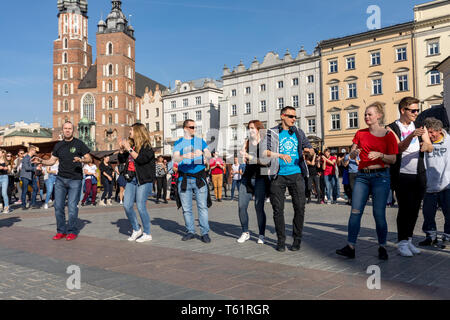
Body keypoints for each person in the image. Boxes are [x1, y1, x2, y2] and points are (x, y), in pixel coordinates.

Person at [336, 102, 398, 260]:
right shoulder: (360, 133)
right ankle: (350, 247)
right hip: (362, 176)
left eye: (370, 114)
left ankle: (382, 247)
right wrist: (353, 154)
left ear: (379, 116)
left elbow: (393, 159)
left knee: (379, 214)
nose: (366, 117)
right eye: (365, 114)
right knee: (355, 212)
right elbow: (349, 156)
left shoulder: (388, 135)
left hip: (381, 176)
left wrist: (380, 155)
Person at [387, 97, 433, 257]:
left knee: (414, 209)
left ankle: (409, 240)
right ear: (403, 110)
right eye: (413, 110)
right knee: (404, 209)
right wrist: (411, 136)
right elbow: (398, 148)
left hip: (419, 173)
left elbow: (430, 146)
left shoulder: (420, 126)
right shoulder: (392, 127)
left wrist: (425, 145)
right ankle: (401, 242)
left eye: (417, 110)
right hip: (401, 174)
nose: (416, 113)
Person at [264, 106, 314, 252]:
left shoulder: (298, 132)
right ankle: (281, 240)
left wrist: (309, 151)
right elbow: (265, 152)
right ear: (282, 116)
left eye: (295, 117)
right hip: (278, 175)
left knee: (300, 207)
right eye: (291, 116)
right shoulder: (272, 132)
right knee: (278, 209)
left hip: (296, 174)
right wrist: (279, 155)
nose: (294, 119)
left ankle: (297, 239)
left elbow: (309, 149)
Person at [32, 121, 91, 241]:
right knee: (58, 206)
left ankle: (72, 231)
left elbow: (89, 158)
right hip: (60, 179)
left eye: (70, 128)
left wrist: (81, 160)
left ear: (73, 130)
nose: (67, 130)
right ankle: (61, 231)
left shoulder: (79, 144)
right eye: (65, 128)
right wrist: (41, 161)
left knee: (72, 207)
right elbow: (52, 161)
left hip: (75, 179)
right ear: (62, 130)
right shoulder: (58, 145)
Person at [173, 119, 212, 243]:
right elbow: (175, 157)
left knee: (202, 207)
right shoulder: (179, 142)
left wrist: (204, 153)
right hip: (184, 178)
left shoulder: (200, 141)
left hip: (199, 178)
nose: (194, 129)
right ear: (185, 128)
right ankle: (190, 231)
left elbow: (209, 154)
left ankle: (204, 232)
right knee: (186, 208)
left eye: (195, 127)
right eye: (191, 127)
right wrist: (184, 156)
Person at [118, 123, 156, 243]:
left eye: (131, 130)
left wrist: (128, 148)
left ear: (138, 132)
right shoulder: (133, 146)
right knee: (127, 205)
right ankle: (136, 229)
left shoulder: (147, 147)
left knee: (140, 206)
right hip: (131, 179)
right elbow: (121, 160)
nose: (129, 132)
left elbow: (141, 159)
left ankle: (147, 233)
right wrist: (121, 150)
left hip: (143, 180)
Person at [236, 120, 269, 244]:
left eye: (252, 128)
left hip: (260, 177)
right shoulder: (247, 142)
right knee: (241, 206)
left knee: (258, 207)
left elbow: (265, 161)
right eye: (248, 128)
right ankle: (245, 232)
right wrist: (242, 154)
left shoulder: (265, 142)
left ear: (259, 129)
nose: (250, 130)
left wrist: (250, 157)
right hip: (247, 177)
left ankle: (261, 234)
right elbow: (242, 156)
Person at [419, 118, 450, 246]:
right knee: (428, 214)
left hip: (447, 184)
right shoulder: (423, 143)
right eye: (428, 133)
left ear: (439, 130)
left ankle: (447, 237)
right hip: (430, 186)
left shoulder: (448, 141)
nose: (430, 136)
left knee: (449, 213)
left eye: (432, 133)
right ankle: (431, 236)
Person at [20, 145, 39, 210]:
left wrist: (34, 162)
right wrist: (35, 168)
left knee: (36, 188)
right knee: (24, 191)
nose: (35, 151)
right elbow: (27, 168)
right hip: (25, 176)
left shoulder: (31, 158)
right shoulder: (26, 158)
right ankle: (23, 205)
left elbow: (29, 165)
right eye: (34, 150)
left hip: (31, 176)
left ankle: (33, 204)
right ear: (31, 150)